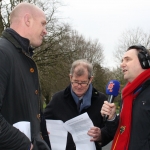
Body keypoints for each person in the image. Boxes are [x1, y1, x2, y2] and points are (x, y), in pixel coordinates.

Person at [0, 2, 50, 150]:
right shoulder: (3, 53)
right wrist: (25, 145)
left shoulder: (23, 57)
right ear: (27, 20)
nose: (45, 31)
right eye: (43, 24)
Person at [44, 59, 119, 150]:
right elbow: (43, 122)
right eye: (75, 81)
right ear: (70, 77)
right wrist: (45, 132)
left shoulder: (101, 100)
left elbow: (111, 130)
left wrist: (101, 135)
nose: (79, 86)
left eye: (83, 82)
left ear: (90, 79)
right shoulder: (57, 99)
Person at [101, 44, 150, 150]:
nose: (122, 65)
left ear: (144, 62)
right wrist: (112, 118)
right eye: (122, 60)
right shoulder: (128, 95)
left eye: (127, 60)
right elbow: (122, 131)